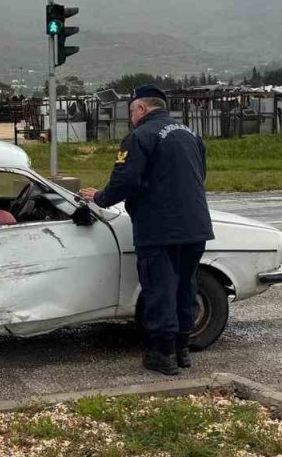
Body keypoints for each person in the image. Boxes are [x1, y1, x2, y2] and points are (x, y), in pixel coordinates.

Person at [81, 85, 213, 376]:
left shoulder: (139, 136)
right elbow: (200, 174)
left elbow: (125, 181)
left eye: (131, 112)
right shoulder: (190, 134)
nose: (131, 118)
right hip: (196, 226)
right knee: (185, 286)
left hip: (159, 228)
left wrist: (100, 197)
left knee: (160, 289)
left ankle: (162, 355)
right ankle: (182, 350)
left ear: (141, 108)